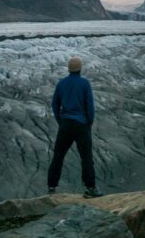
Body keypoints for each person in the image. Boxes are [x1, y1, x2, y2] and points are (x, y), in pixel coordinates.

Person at [47, 57, 103, 198]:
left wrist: (61, 121)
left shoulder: (61, 84)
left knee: (58, 156)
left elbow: (55, 104)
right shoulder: (84, 84)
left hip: (65, 124)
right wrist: (88, 123)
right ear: (80, 68)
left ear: (68, 68)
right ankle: (91, 188)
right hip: (81, 125)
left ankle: (51, 188)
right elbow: (89, 106)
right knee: (86, 157)